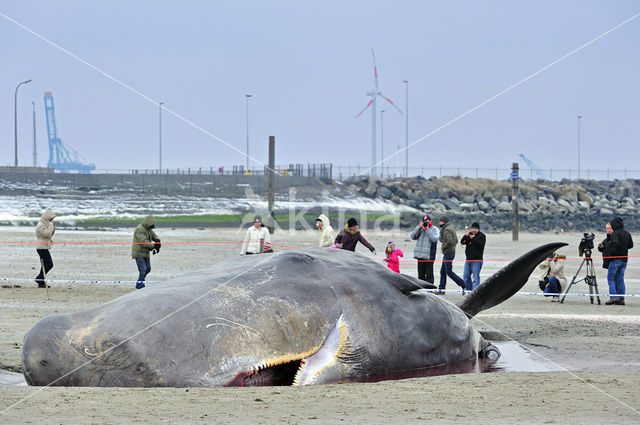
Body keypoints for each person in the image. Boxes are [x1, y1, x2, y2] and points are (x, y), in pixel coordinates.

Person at [605, 217, 634, 305]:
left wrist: (611, 252)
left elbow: (615, 244)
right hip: (624, 260)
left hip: (615, 259)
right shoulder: (627, 233)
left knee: (611, 278)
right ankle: (621, 298)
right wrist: (623, 247)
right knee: (620, 279)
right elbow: (630, 245)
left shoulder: (615, 234)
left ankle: (613, 297)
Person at [132, 215, 161, 289]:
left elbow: (154, 235)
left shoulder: (148, 228)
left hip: (145, 253)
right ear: (148, 223)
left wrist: (157, 240)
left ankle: (140, 282)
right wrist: (154, 246)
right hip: (138, 253)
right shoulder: (140, 230)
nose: (153, 226)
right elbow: (144, 242)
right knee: (143, 269)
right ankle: (140, 285)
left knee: (148, 269)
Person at [438, 216, 466, 293]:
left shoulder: (447, 229)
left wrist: (444, 247)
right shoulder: (451, 228)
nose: (439, 223)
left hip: (448, 253)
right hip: (450, 252)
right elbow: (456, 240)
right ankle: (441, 289)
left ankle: (463, 284)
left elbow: (450, 241)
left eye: (440, 221)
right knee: (442, 272)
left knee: (449, 272)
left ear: (443, 222)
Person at [410, 215, 440, 284]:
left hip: (429, 256)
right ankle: (422, 289)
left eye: (427, 221)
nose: (425, 223)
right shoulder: (420, 229)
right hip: (420, 256)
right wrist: (419, 227)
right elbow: (412, 236)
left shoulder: (435, 229)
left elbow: (434, 239)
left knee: (429, 274)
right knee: (421, 275)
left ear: (430, 221)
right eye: (424, 222)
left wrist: (427, 229)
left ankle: (430, 290)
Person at [460, 221, 486, 290]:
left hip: (477, 260)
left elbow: (481, 245)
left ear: (478, 229)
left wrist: (473, 238)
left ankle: (475, 293)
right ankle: (469, 292)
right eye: (473, 228)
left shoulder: (482, 236)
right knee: (466, 277)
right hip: (468, 260)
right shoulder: (469, 235)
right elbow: (462, 242)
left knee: (475, 278)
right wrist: (466, 236)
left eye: (476, 229)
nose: (474, 230)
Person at [35, 210, 56, 288]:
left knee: (46, 265)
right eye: (51, 219)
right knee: (48, 264)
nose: (51, 221)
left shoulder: (44, 224)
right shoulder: (41, 225)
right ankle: (39, 278)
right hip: (41, 248)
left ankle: (41, 281)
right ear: (47, 218)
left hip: (44, 247)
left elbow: (48, 236)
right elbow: (47, 234)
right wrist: (51, 226)